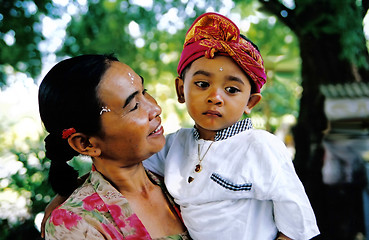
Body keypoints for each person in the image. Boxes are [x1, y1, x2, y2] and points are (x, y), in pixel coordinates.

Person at [142, 12, 320, 240]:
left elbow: (297, 225)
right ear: (180, 90)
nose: (215, 97)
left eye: (232, 90)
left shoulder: (261, 146)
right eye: (202, 84)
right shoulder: (174, 145)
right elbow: (130, 160)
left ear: (250, 102)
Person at [38, 54, 190, 239]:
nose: (155, 109)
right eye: (134, 106)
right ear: (85, 143)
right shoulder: (77, 224)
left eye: (145, 91)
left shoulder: (179, 172)